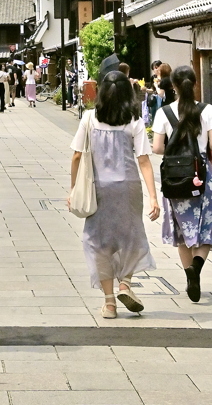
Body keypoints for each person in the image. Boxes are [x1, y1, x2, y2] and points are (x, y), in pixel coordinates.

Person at [69, 70, 159, 319]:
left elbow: (77, 156)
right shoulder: (134, 121)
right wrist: (153, 196)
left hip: (100, 189)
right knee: (129, 238)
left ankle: (109, 303)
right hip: (128, 187)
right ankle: (125, 285)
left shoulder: (89, 118)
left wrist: (73, 188)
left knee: (99, 243)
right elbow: (143, 160)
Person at [152, 64, 212, 302]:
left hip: (176, 180)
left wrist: (176, 156)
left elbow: (157, 148)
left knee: (182, 231)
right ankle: (196, 269)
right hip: (203, 178)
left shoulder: (163, 113)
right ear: (195, 84)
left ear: (173, 86)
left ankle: (190, 276)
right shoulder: (207, 111)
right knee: (206, 230)